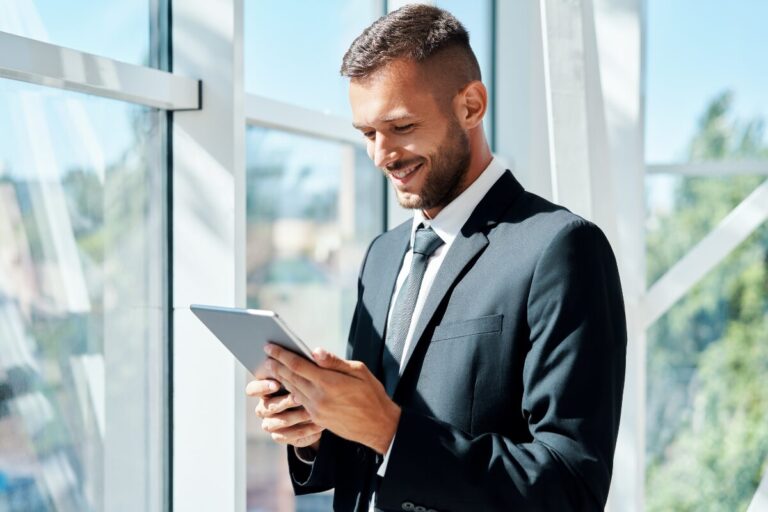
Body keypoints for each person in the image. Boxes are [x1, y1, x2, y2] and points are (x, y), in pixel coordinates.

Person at [246, 4, 626, 511]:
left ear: (471, 106)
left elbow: (570, 487)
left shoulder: (560, 249)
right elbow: (370, 453)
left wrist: (391, 431)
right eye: (367, 134)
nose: (382, 154)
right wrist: (316, 430)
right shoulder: (383, 257)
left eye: (401, 127)